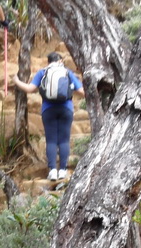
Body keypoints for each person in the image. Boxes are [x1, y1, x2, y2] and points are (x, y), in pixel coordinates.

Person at [12, 52, 85, 182]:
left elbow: (29, 89)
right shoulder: (67, 72)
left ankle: (52, 171)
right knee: (64, 140)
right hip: (66, 109)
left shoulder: (42, 72)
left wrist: (16, 81)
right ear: (60, 61)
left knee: (51, 140)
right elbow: (82, 92)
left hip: (48, 109)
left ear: (48, 61)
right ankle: (62, 170)